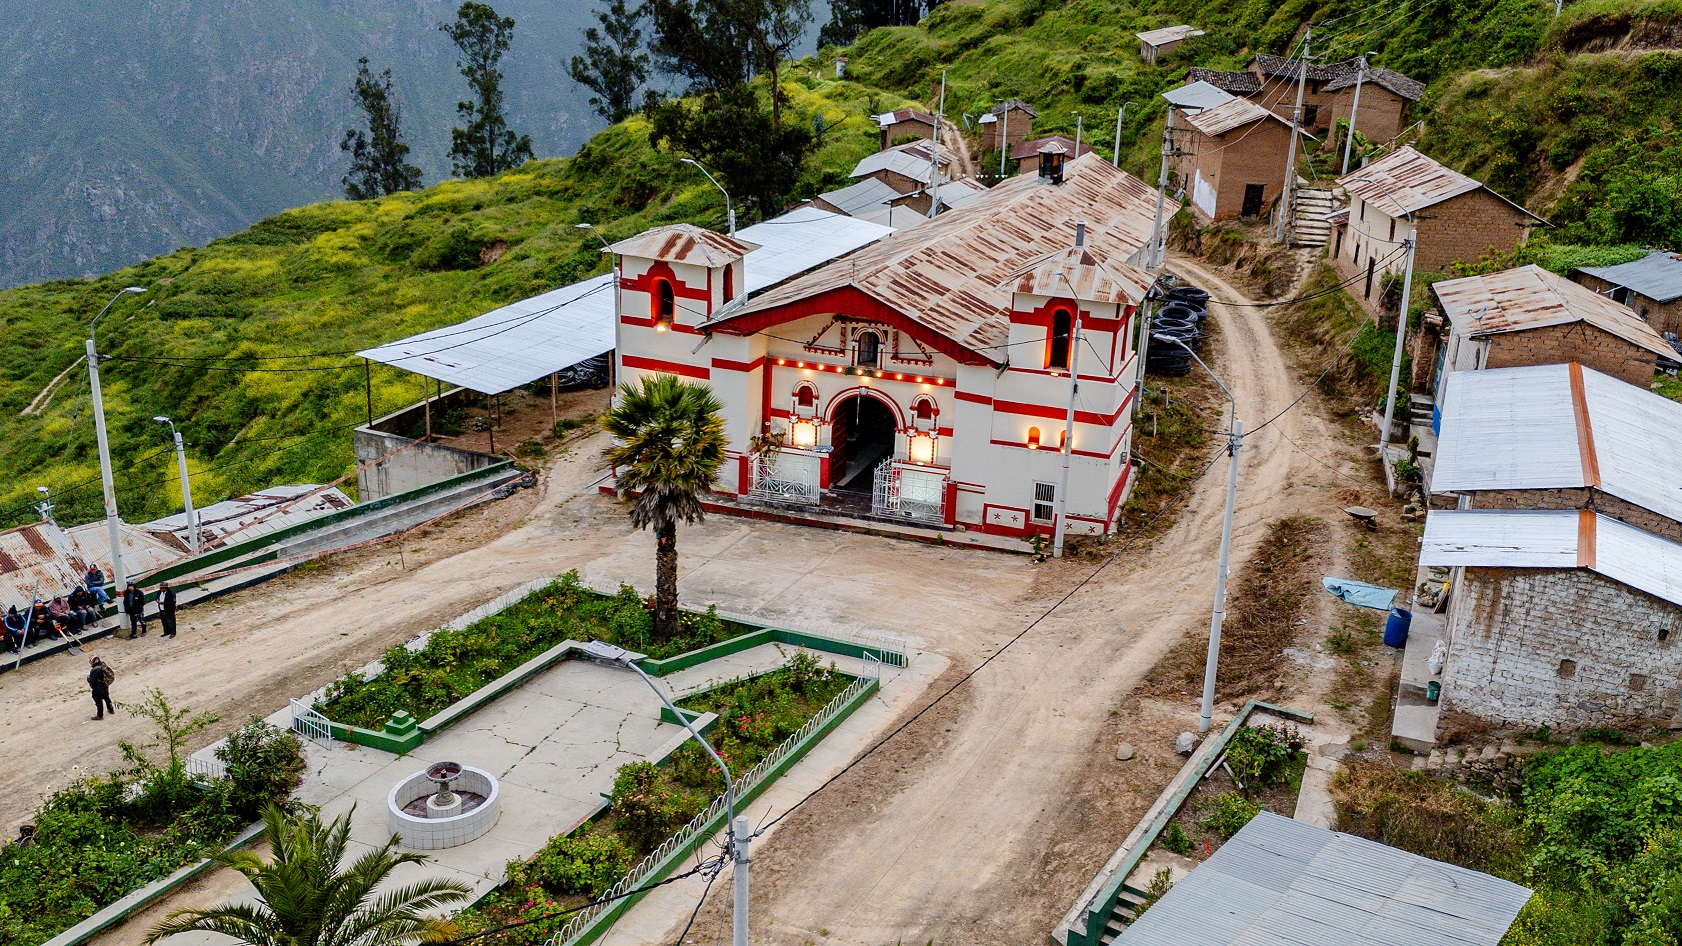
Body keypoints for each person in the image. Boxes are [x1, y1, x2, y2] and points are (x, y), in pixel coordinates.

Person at [87, 654, 115, 720]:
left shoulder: (95, 670)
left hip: (97, 688)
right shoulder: (103, 664)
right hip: (105, 685)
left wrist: (88, 678)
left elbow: (91, 680)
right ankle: (111, 710)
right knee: (107, 698)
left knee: (98, 701)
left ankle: (100, 715)